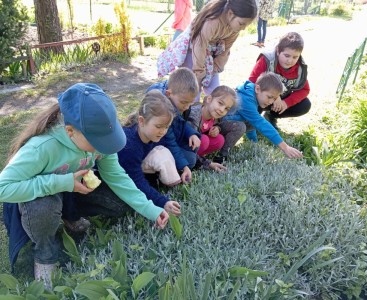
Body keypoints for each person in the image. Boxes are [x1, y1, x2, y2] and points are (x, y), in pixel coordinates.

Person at [0, 83, 169, 290]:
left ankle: (69, 218)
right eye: (99, 142)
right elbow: (3, 188)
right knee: (43, 207)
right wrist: (62, 182)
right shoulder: (42, 147)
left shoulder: (101, 140)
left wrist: (151, 209)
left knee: (118, 204)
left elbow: (116, 176)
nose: (105, 147)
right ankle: (45, 256)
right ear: (70, 131)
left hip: (72, 190)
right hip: (37, 196)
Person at [157, 0, 257, 101]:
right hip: (193, 52)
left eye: (246, 25)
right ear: (230, 14)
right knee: (192, 89)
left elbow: (226, 49)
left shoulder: (235, 28)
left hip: (210, 54)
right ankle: (184, 112)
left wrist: (215, 68)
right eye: (241, 24)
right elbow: (199, 44)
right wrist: (198, 71)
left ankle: (210, 115)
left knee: (215, 91)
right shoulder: (213, 21)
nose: (243, 28)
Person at [216, 72, 303, 162]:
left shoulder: (252, 94)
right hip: (217, 126)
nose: (271, 102)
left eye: (274, 99)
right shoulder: (245, 100)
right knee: (240, 127)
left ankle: (252, 142)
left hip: (229, 122)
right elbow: (260, 123)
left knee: (252, 121)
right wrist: (285, 147)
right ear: (257, 88)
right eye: (269, 97)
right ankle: (221, 156)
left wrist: (254, 142)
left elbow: (253, 122)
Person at [119, 90, 181, 216]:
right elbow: (136, 181)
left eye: (167, 127)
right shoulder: (130, 146)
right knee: (123, 206)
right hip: (109, 177)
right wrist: (162, 202)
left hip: (135, 166)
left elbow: (174, 147)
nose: (163, 131)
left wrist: (195, 164)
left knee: (163, 152)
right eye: (159, 126)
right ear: (141, 121)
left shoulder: (153, 134)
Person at [146, 67, 201, 184]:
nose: (187, 107)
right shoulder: (162, 109)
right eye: (184, 102)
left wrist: (191, 133)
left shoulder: (179, 99)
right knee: (190, 160)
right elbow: (169, 141)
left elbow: (182, 122)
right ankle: (158, 177)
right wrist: (184, 166)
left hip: (170, 141)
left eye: (190, 103)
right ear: (168, 93)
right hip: (156, 147)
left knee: (193, 149)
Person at [249, 32, 311, 129]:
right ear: (278, 51)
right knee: (250, 110)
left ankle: (270, 116)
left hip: (280, 102)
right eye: (286, 56)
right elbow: (251, 82)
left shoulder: (299, 68)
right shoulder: (267, 60)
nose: (290, 61)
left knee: (305, 105)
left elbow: (305, 90)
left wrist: (286, 103)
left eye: (295, 57)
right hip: (262, 98)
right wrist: (275, 96)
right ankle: (253, 117)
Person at [187, 85, 237, 171]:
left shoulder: (215, 115)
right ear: (209, 99)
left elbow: (215, 124)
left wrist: (217, 128)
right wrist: (208, 163)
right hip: (186, 147)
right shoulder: (194, 115)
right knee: (204, 140)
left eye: (226, 109)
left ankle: (198, 157)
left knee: (219, 139)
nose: (222, 110)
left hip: (198, 145)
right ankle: (193, 160)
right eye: (220, 103)